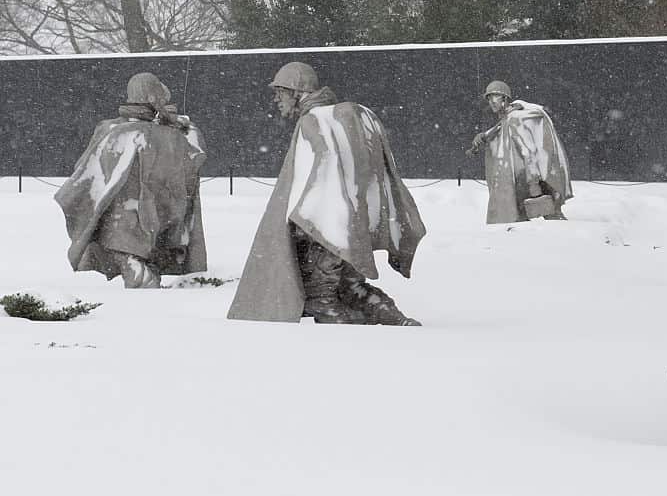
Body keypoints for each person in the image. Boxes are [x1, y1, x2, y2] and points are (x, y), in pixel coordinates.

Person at [227, 62, 425, 326]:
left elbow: (313, 182)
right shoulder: (349, 117)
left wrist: (300, 226)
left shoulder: (312, 122)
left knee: (322, 297)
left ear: (296, 91)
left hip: (325, 228)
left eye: (281, 92)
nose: (276, 100)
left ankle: (338, 344)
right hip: (357, 223)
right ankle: (397, 320)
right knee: (351, 287)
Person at [55, 72, 207, 288]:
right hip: (144, 205)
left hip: (124, 206)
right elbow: (194, 156)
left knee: (129, 242)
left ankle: (137, 270)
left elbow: (88, 168)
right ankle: (138, 272)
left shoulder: (113, 129)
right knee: (135, 244)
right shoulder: (167, 133)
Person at [467, 80, 572, 223]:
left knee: (548, 214)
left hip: (526, 177)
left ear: (504, 98)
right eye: (489, 98)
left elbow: (528, 151)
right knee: (519, 216)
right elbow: (499, 130)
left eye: (495, 97)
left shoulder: (515, 118)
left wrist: (533, 182)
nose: (491, 102)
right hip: (518, 177)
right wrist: (484, 136)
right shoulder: (507, 118)